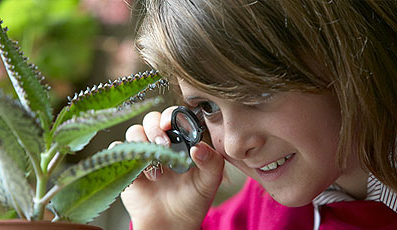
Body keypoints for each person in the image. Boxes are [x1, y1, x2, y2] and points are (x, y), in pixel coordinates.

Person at [117, 1, 397, 229]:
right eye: (208, 107)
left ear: (345, 56)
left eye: (258, 93)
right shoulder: (260, 211)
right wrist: (166, 224)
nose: (233, 145)